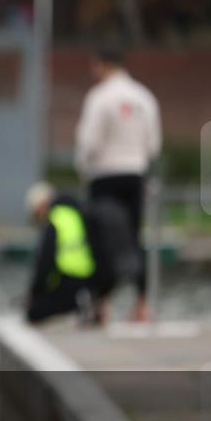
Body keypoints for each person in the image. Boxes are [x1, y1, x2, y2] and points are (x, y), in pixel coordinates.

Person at [75, 46, 162, 322]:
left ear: (100, 64)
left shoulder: (99, 97)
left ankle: (102, 304)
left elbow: (89, 143)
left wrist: (83, 168)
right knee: (134, 238)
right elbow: (153, 144)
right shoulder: (144, 97)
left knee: (101, 241)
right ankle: (142, 304)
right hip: (135, 175)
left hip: (104, 177)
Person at [24, 182, 140, 326]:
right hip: (95, 284)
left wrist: (34, 294)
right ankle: (92, 304)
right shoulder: (80, 211)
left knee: (33, 312)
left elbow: (45, 264)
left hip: (75, 285)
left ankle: (83, 307)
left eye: (36, 214)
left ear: (41, 206)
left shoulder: (56, 220)